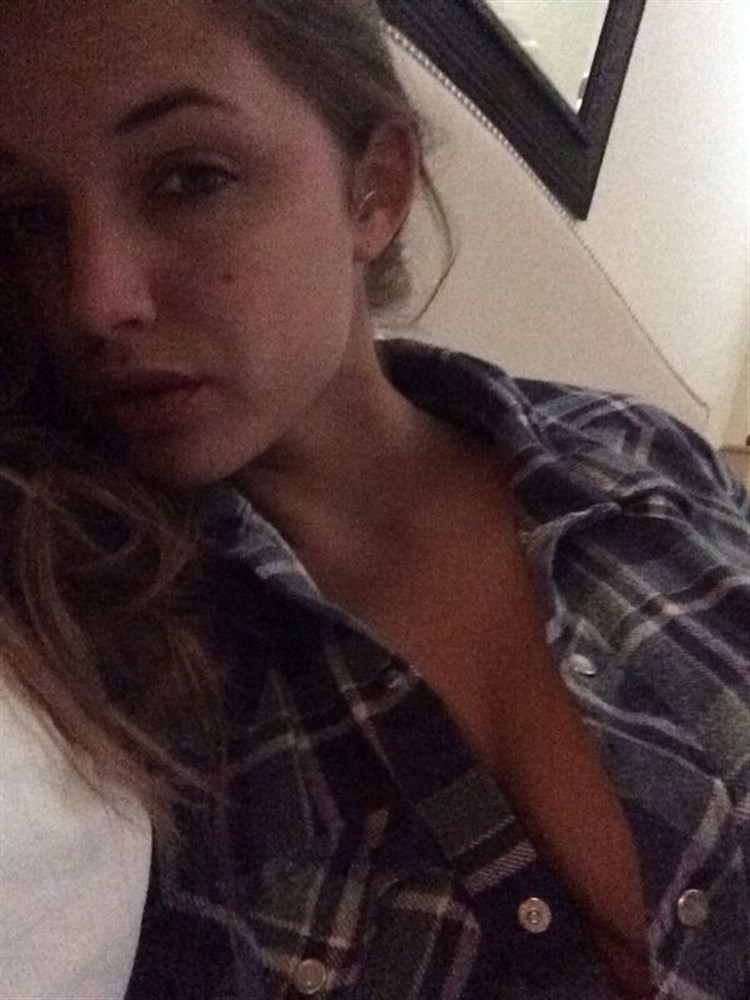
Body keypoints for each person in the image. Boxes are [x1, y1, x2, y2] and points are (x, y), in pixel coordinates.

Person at [0, 1, 747, 998]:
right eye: (28, 217)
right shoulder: (95, 656)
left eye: (190, 178)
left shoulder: (636, 450)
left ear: (376, 189)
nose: (96, 300)